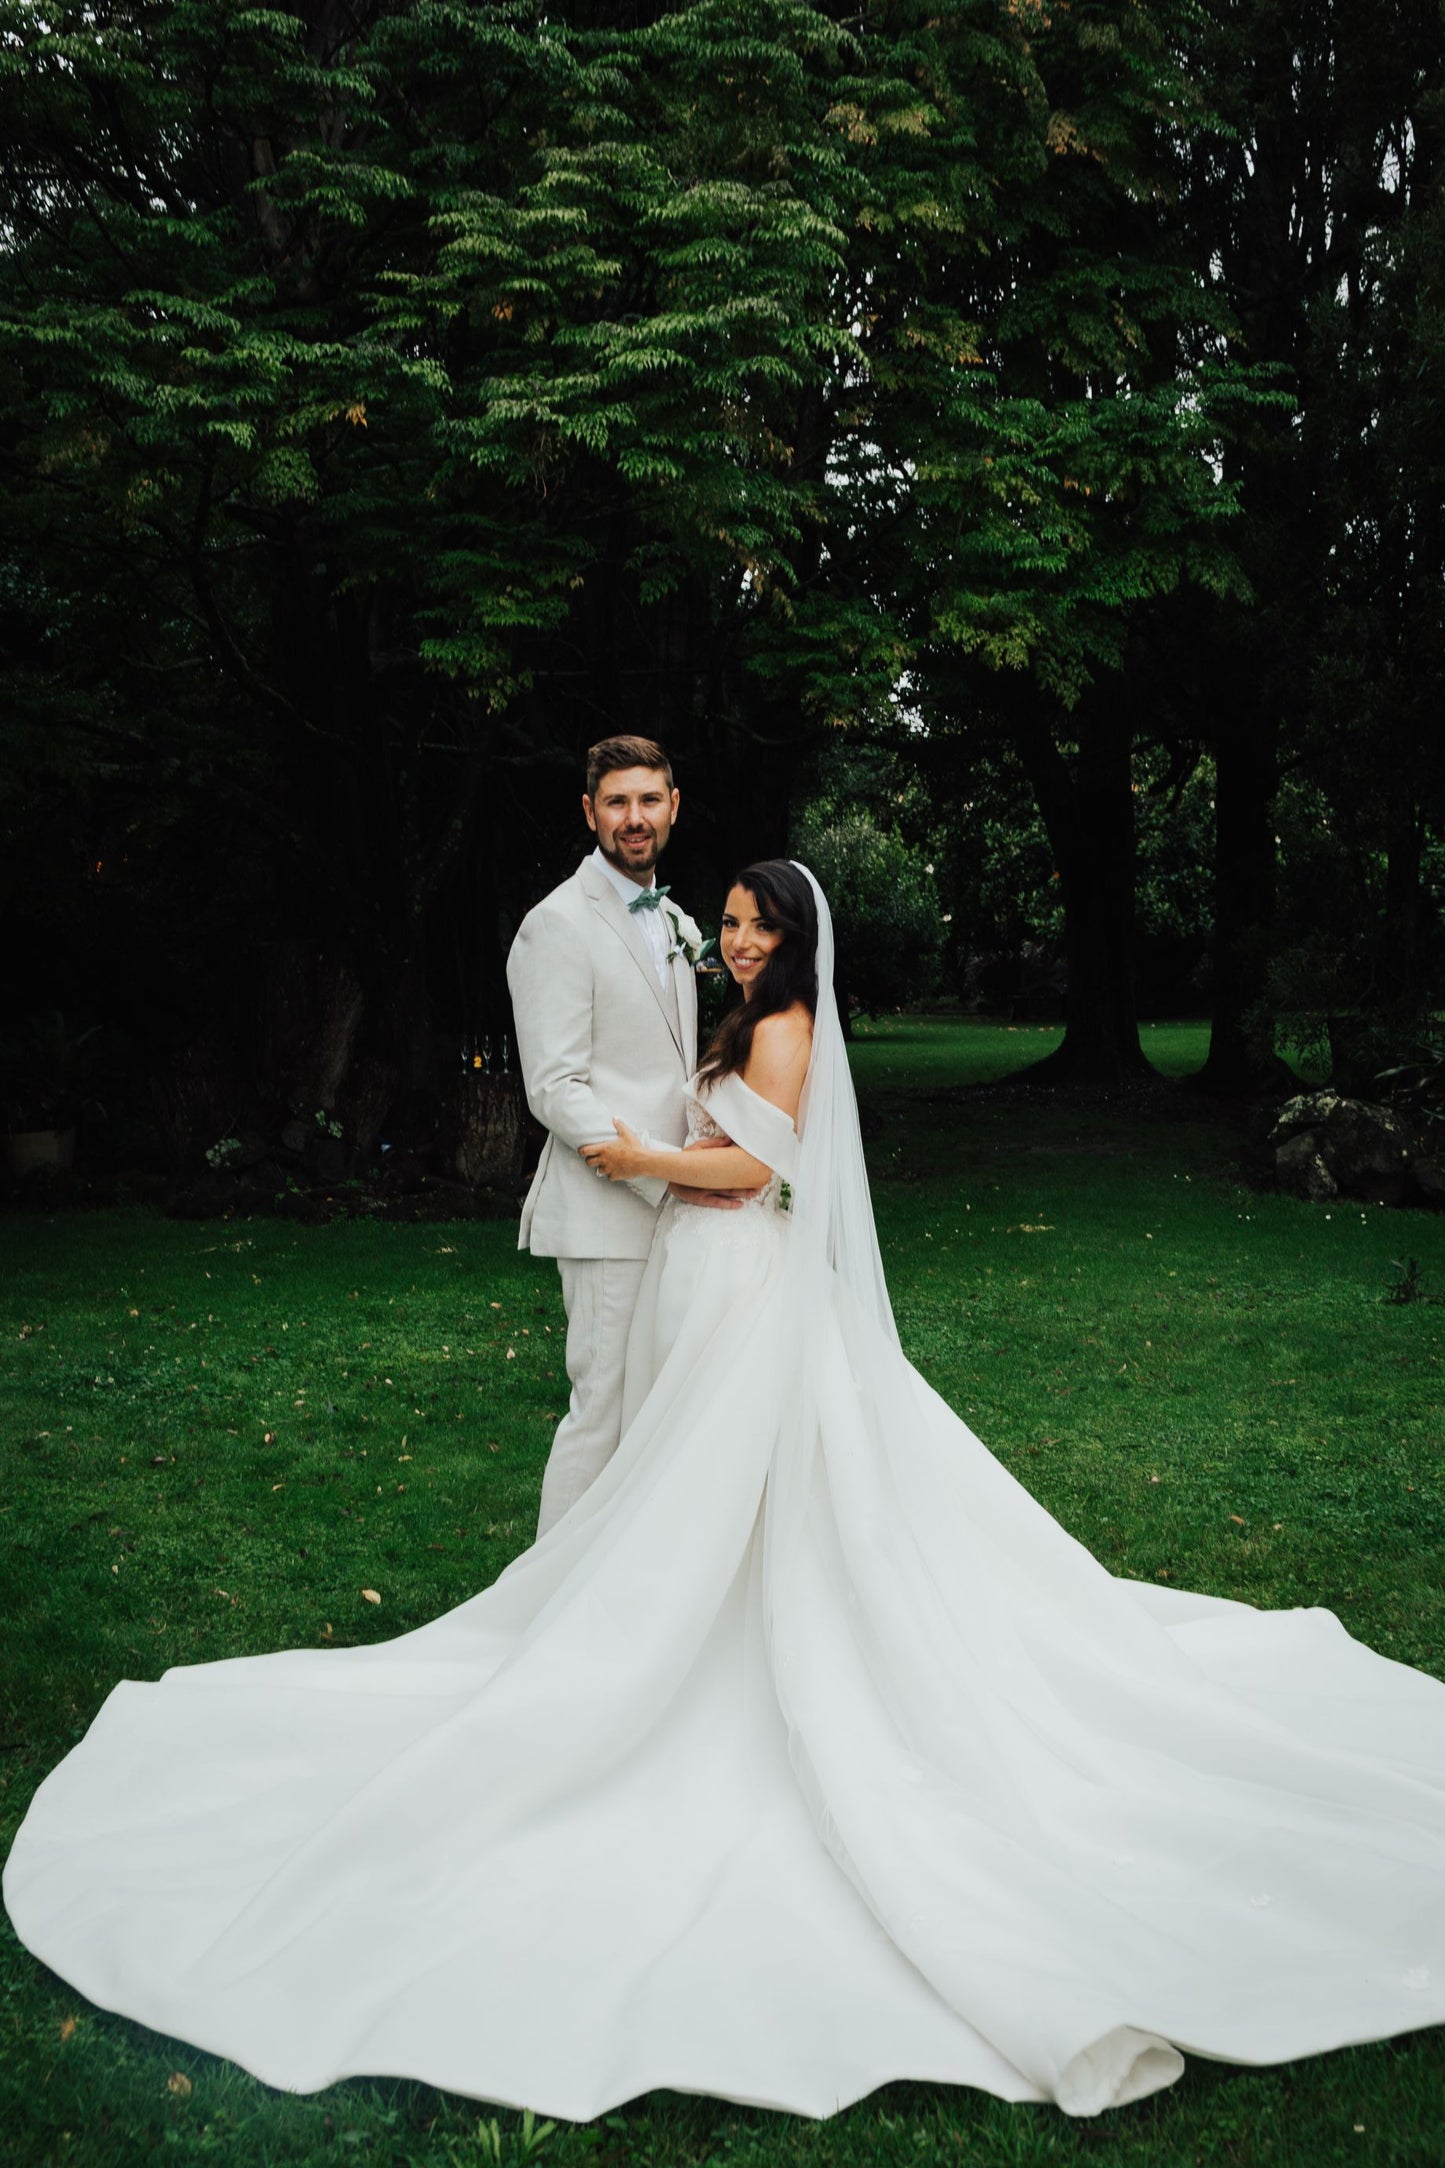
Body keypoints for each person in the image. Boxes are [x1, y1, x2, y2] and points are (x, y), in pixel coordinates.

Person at [5, 863, 1445, 2124]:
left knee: (740, 1486)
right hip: (705, 1284)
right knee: (679, 1479)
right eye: (734, 923)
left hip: (742, 1278)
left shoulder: (794, 1027)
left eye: (760, 925)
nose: (741, 941)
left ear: (799, 937)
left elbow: (748, 1169)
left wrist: (634, 1154)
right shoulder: (745, 1014)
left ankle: (724, 1653)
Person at [506, 733, 702, 1535]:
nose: (634, 818)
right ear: (589, 812)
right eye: (616, 802)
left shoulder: (680, 922)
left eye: (648, 800)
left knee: (656, 1405)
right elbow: (555, 1086)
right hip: (607, 1210)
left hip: (679, 1207)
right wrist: (661, 1169)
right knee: (602, 1409)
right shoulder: (555, 924)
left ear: (673, 807)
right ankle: (551, 1607)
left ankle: (620, 1592)